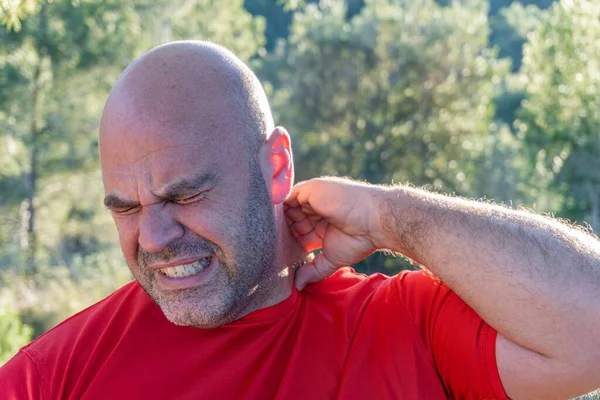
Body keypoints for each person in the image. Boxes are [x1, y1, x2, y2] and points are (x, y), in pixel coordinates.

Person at [1, 40, 599, 400]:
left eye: (186, 196)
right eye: (127, 208)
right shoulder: (56, 377)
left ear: (277, 167)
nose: (154, 237)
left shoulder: (404, 327)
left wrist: (388, 216)